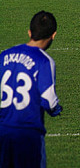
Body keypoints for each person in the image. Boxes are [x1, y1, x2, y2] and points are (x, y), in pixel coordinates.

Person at [0, 11, 62, 168]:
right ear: (53, 35)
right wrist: (57, 110)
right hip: (28, 134)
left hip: (2, 131)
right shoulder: (44, 61)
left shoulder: (5, 55)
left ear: (29, 32)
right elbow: (49, 102)